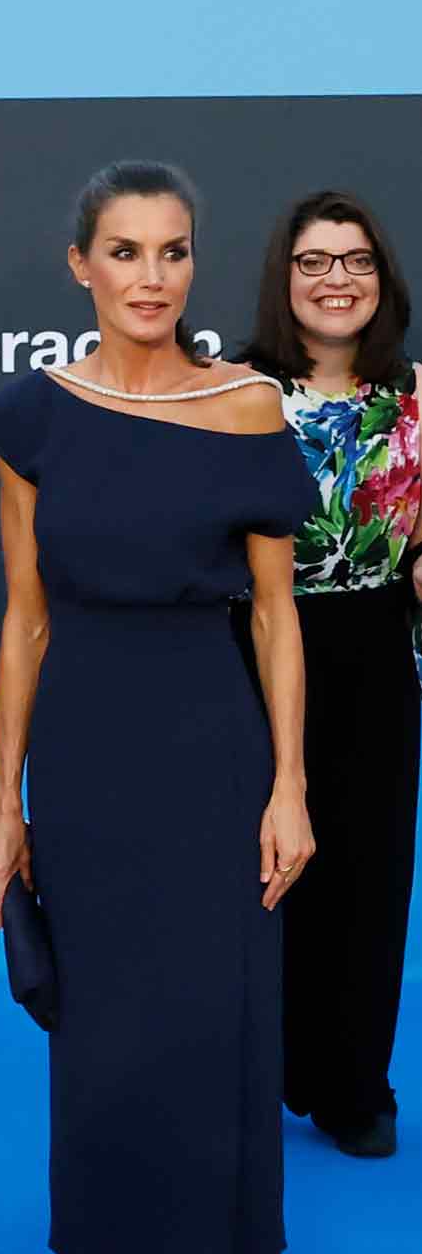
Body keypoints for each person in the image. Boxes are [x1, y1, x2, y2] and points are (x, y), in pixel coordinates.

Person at [0, 161, 316, 1254]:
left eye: (173, 251)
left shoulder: (245, 409)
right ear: (80, 264)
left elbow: (277, 617)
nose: (151, 277)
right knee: (107, 1054)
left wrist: (286, 786)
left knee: (224, 1049)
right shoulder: (33, 419)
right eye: (124, 251)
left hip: (213, 751)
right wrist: (2, 800)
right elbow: (23, 617)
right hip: (87, 757)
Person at [239, 190, 421, 1159]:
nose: (336, 278)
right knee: (254, 869)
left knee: (367, 871)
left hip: (375, 652)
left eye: (356, 260)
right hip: (250, 644)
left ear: (382, 281)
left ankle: (354, 1082)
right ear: (284, 278)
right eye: (314, 260)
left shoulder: (419, 398)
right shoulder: (231, 389)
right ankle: (255, 1067)